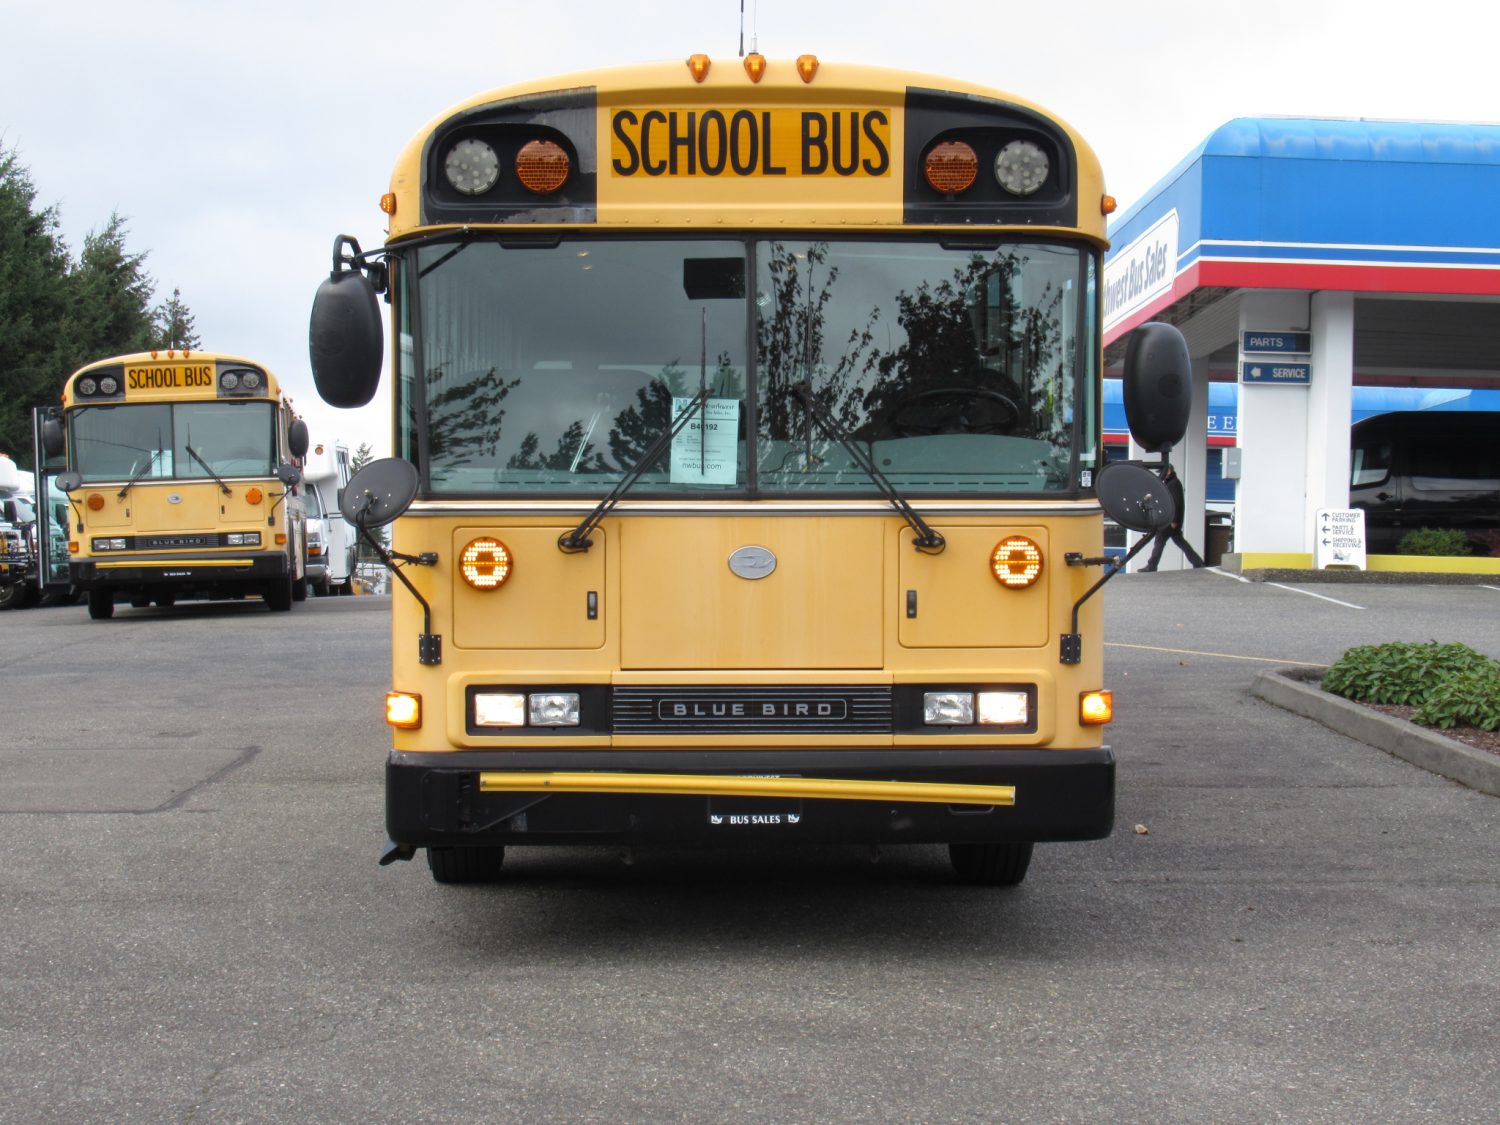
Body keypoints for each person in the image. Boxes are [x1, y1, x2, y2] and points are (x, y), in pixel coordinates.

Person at [1140, 462, 1204, 571]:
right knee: (1179, 540)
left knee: (1160, 539)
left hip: (1171, 520)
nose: (1161, 475)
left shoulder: (1173, 484)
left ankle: (1152, 565)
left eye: (1163, 472)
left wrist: (1174, 520)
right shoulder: (1172, 483)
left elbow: (1176, 503)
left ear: (1169, 471)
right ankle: (1197, 562)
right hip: (1173, 520)